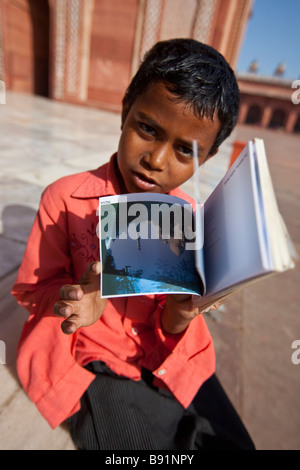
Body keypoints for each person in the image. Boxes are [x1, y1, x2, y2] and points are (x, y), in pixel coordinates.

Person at [12, 38, 255, 450]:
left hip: (162, 350)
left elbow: (170, 323)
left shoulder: (187, 219)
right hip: (95, 355)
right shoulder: (65, 200)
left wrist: (182, 312)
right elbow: (35, 290)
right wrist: (75, 299)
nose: (157, 160)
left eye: (184, 150)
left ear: (206, 159)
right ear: (126, 110)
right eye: (148, 128)